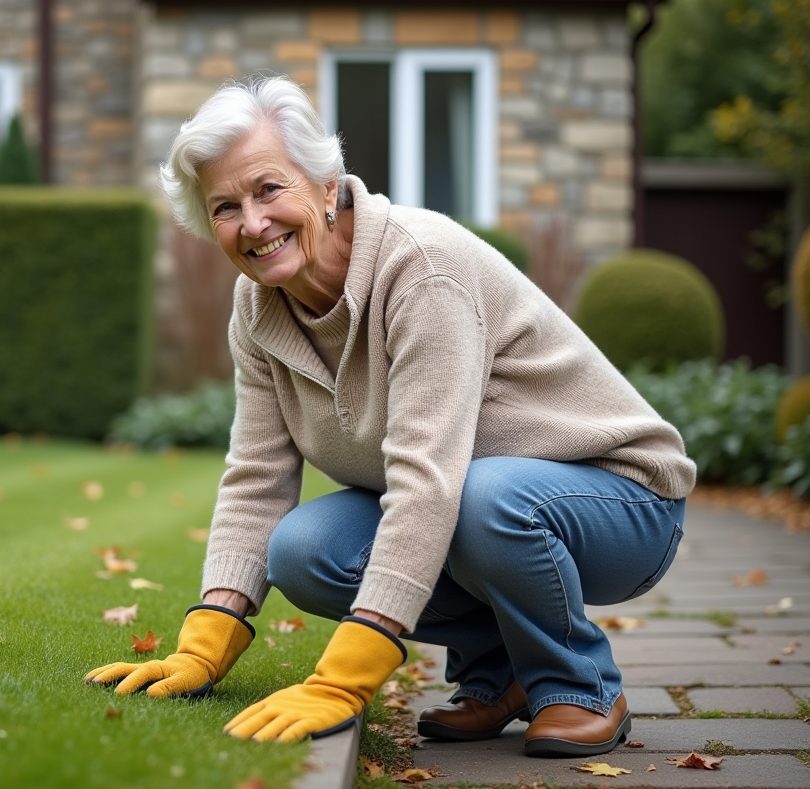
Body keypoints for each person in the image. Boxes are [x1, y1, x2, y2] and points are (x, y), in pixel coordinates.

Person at [85, 76, 694, 758]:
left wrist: (347, 674)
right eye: (225, 206)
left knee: (482, 499)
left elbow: (428, 477)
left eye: (267, 189)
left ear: (323, 183)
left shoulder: (420, 270)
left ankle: (579, 686)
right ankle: (499, 674)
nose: (252, 223)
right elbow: (257, 474)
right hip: (476, 500)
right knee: (303, 549)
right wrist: (210, 634)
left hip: (621, 500)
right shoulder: (256, 308)